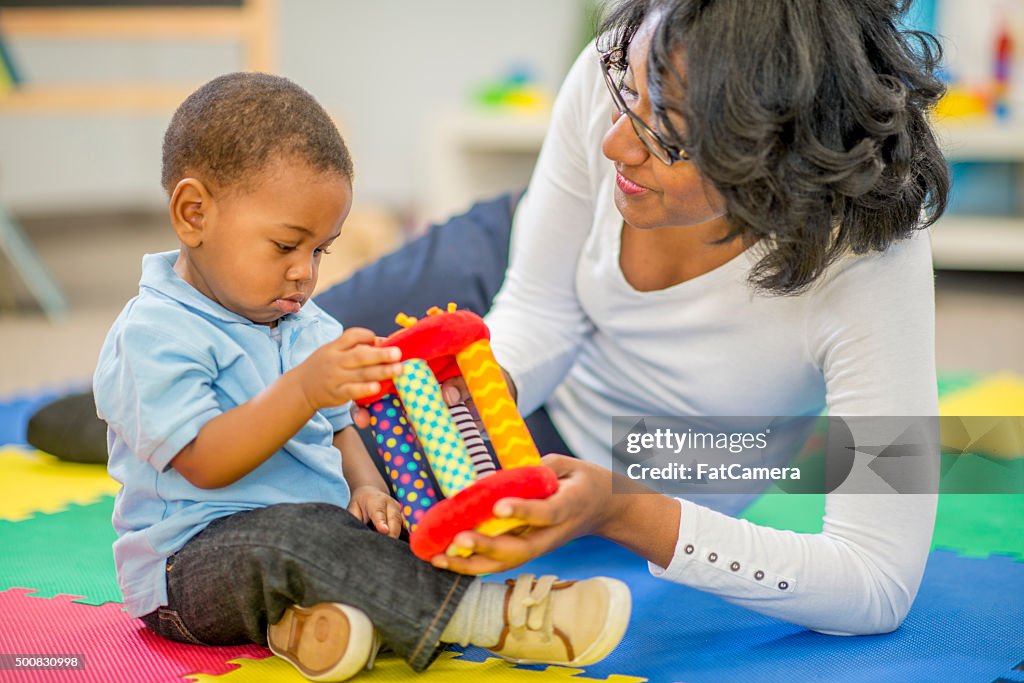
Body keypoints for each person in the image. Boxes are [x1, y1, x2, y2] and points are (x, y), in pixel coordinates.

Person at [33, 0, 946, 642]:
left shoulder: (874, 262)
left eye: (666, 135)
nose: (615, 141)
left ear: (774, 156)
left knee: (309, 468)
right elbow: (541, 306)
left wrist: (625, 508)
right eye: (624, 97)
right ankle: (121, 406)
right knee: (257, 352)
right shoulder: (627, 72)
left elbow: (876, 580)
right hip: (499, 285)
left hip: (649, 449)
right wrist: (465, 405)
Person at [92, 72, 630, 683]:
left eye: (320, 251)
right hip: (190, 567)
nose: (304, 274)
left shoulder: (300, 322)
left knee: (405, 518)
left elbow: (341, 427)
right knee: (298, 537)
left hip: (310, 535)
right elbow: (204, 463)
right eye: (285, 246)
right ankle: (495, 619)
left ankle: (312, 627)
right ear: (194, 214)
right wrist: (302, 390)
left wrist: (368, 488)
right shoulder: (155, 332)